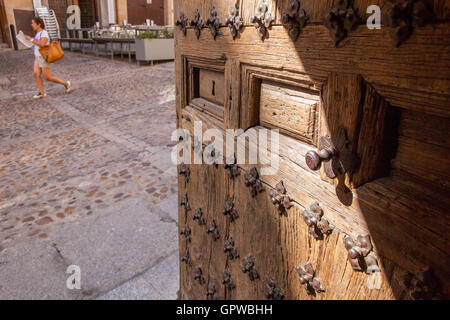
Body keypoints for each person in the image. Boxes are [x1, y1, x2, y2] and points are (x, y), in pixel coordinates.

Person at [25, 17, 72, 99]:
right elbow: (36, 44)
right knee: (36, 74)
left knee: (47, 77)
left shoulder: (44, 33)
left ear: (38, 24)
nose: (31, 25)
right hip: (37, 57)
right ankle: (42, 93)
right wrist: (29, 42)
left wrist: (31, 39)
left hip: (44, 57)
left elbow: (42, 44)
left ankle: (66, 84)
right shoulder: (38, 33)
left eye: (33, 23)